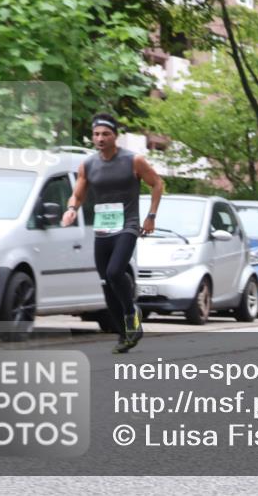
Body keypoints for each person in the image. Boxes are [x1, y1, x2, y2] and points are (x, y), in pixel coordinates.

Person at [62, 113, 163, 354]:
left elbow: (157, 183)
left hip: (127, 225)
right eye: (96, 134)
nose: (100, 138)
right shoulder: (88, 165)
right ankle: (124, 335)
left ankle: (131, 313)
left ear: (115, 136)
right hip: (103, 228)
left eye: (106, 134)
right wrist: (71, 209)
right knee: (107, 284)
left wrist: (151, 216)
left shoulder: (133, 161)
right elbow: (77, 194)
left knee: (115, 271)